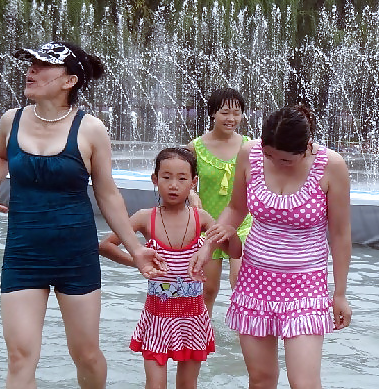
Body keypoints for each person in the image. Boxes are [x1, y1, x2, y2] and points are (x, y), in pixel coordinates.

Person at [0, 41, 167, 389]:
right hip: (24, 254)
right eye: (31, 63)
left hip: (75, 255)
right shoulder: (12, 120)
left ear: (69, 81)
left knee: (85, 354)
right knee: (21, 356)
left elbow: (108, 194)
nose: (31, 71)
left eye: (42, 66)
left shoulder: (90, 129)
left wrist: (136, 248)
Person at [191, 103, 353, 388]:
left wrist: (339, 294)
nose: (276, 164)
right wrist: (208, 245)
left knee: (303, 382)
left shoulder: (332, 165)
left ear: (306, 148)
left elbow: (340, 234)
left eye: (286, 161)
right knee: (262, 378)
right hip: (255, 283)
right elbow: (236, 209)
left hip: (306, 287)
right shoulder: (249, 153)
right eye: (270, 156)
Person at [99, 147, 240, 389]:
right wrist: (136, 260)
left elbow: (235, 251)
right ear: (155, 180)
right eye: (166, 177)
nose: (173, 185)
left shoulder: (201, 219)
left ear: (193, 182)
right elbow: (105, 245)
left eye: (182, 178)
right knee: (155, 385)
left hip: (192, 318)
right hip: (157, 319)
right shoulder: (145, 218)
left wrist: (230, 232)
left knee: (187, 385)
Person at [185, 88, 253, 317]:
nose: (231, 118)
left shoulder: (250, 147)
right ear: (213, 113)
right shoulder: (196, 147)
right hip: (209, 226)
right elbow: (186, 180)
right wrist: (192, 195)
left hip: (242, 224)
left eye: (237, 113)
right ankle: (202, 337)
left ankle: (245, 339)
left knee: (241, 283)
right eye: (225, 112)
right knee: (208, 290)